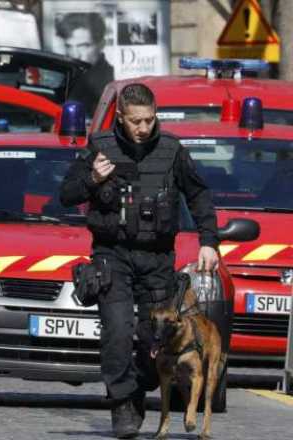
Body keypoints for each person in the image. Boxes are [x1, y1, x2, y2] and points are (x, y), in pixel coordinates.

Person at [59, 84, 219, 439]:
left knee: (155, 339)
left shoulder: (172, 150)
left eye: (149, 119)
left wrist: (209, 241)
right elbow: (66, 194)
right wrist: (92, 179)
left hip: (158, 258)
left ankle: (139, 386)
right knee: (117, 332)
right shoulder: (100, 147)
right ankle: (123, 405)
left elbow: (199, 195)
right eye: (136, 121)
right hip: (112, 254)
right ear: (120, 117)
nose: (143, 127)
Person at [56, 12, 115, 118]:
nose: (75, 55)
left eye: (83, 46)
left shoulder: (108, 83)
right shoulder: (68, 75)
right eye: (69, 46)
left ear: (101, 44)